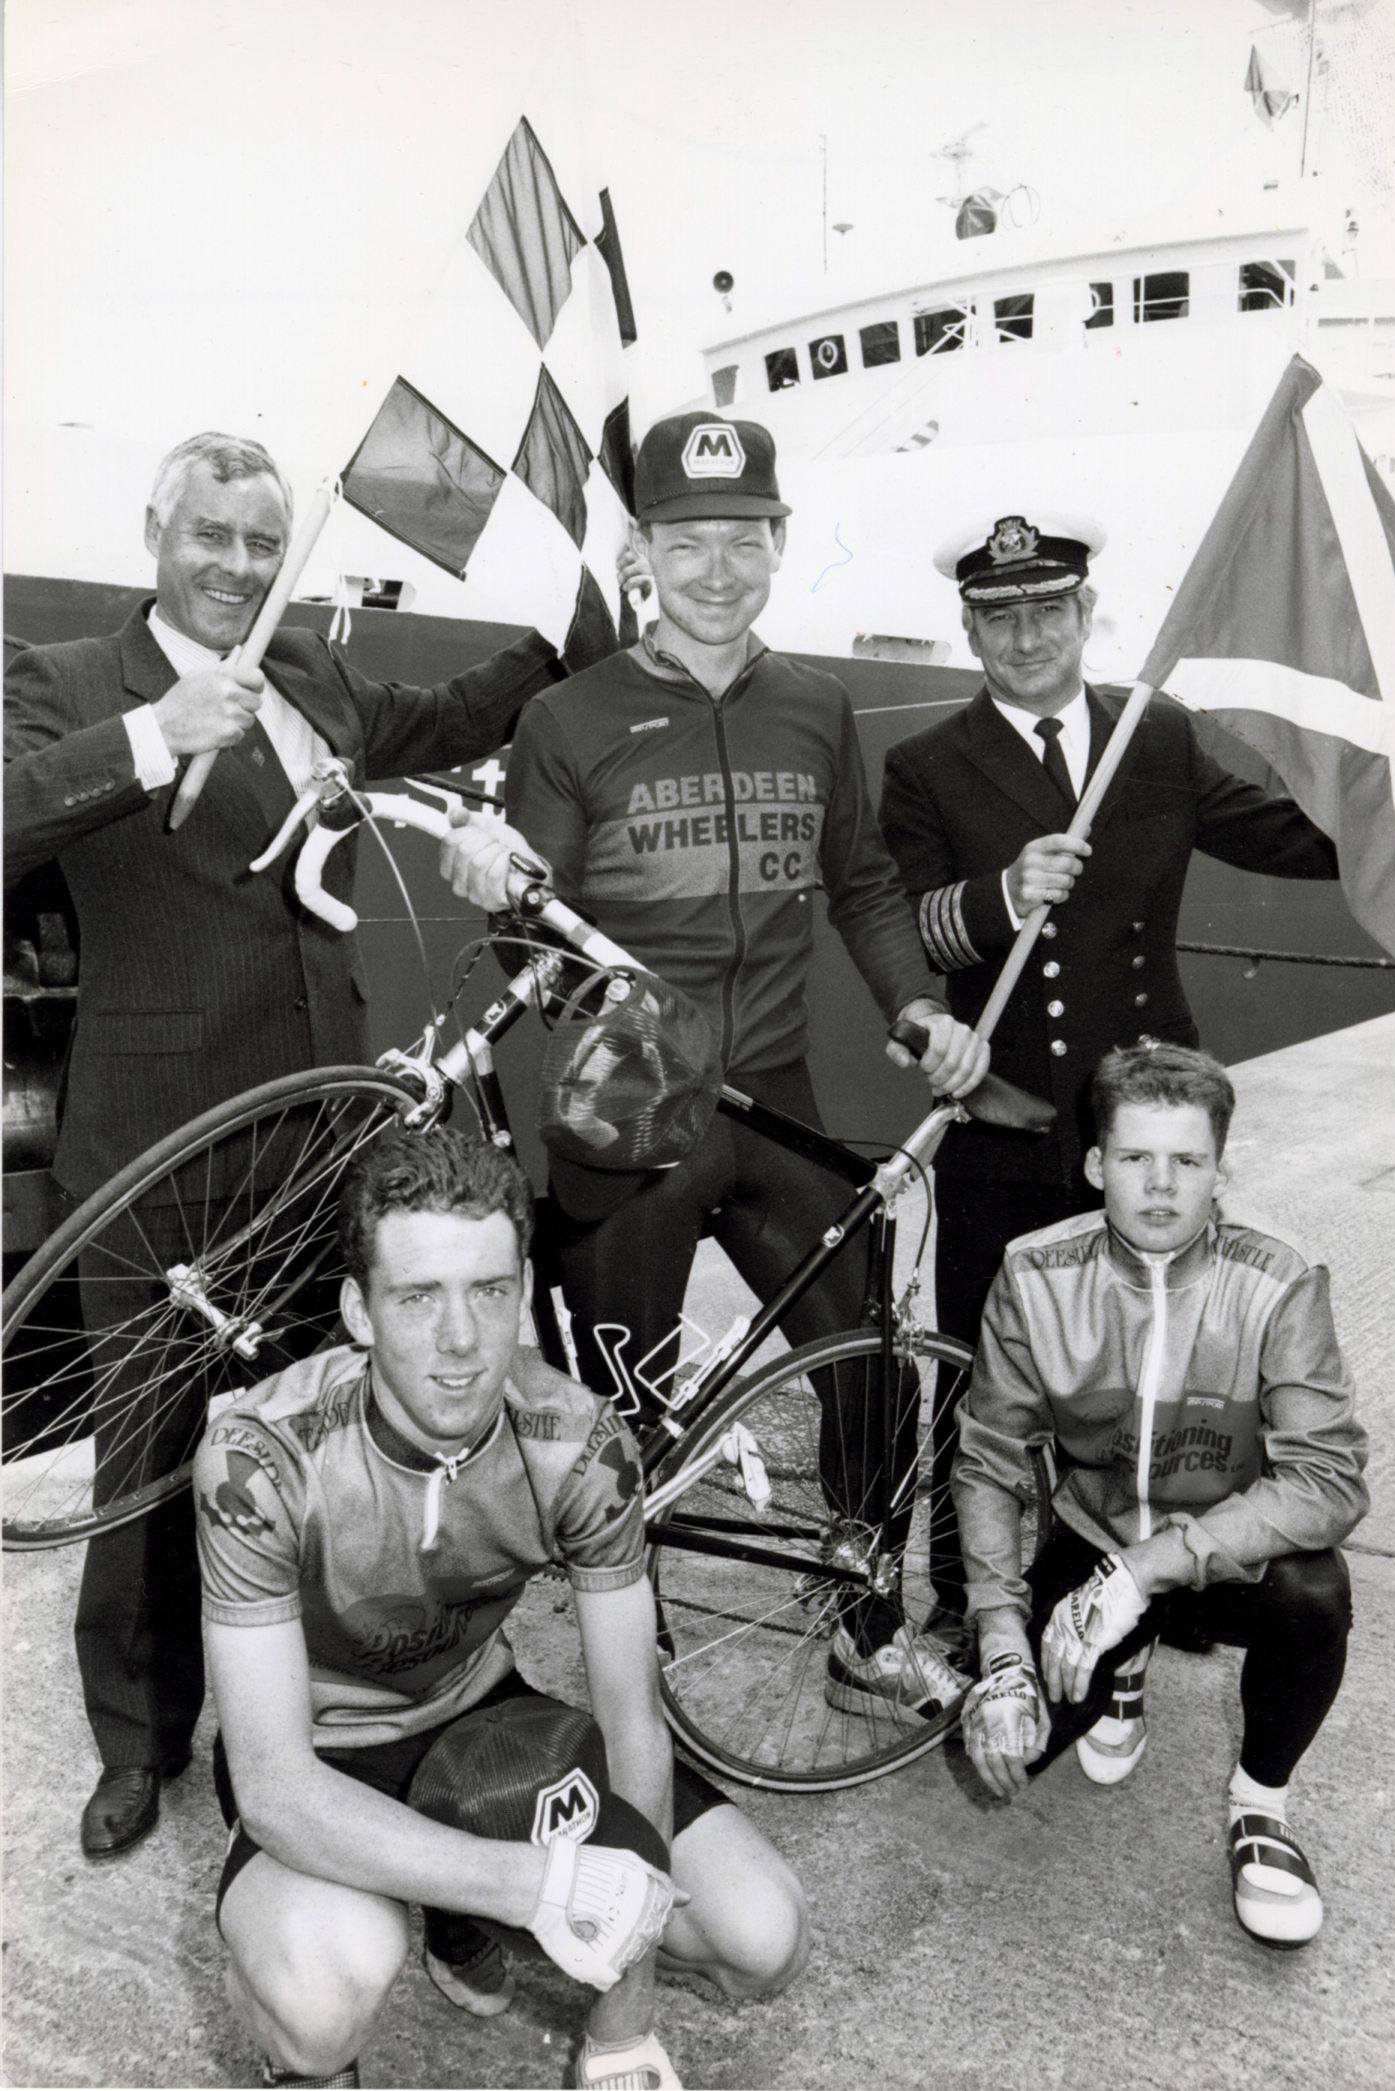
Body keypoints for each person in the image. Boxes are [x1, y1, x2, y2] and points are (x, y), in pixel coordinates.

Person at [3, 431, 580, 1859]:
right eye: (211, 534)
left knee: (324, 1456)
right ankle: (141, 1741)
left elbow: (446, 715)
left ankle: (323, 1711)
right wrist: (155, 735)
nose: (238, 564)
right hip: (158, 1151)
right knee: (148, 1467)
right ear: (156, 532)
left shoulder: (311, 672)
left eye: (263, 541)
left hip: (321, 1144)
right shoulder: (67, 681)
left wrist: (573, 625)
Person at [490, 408, 991, 1724]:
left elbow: (864, 885)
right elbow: (526, 933)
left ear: (778, 542)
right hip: (628, 1111)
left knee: (873, 1364)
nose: (715, 569)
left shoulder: (816, 707)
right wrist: (510, 895)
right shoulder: (565, 716)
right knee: (620, 1411)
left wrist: (916, 1006)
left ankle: (868, 1628)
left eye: (742, 539)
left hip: (774, 1100)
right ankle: (629, 1643)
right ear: (643, 552)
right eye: (686, 541)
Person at [195, 1127, 807, 2090]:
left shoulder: (577, 1442)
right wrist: (536, 1885)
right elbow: (271, 1784)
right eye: (417, 1296)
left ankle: (456, 1901)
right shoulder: (260, 1458)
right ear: (358, 1310)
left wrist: (623, 2020)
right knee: (324, 1995)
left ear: (523, 1290)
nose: (460, 1339)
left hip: (481, 1717)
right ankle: (302, 1996)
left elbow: (633, 1724)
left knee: (762, 1935)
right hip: (323, 1749)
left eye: (488, 1291)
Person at [877, 509, 1340, 1640]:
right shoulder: (925, 764)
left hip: (1148, 1118)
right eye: (1000, 616)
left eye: (1049, 609)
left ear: (1086, 611)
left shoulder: (1155, 733)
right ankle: (965, 1601)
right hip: (1008, 1113)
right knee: (982, 1369)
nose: (1027, 635)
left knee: (1165, 1361)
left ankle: (1159, 1582)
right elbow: (908, 929)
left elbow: (1278, 834)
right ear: (969, 629)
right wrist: (1002, 895)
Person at [952, 1043, 1368, 1948]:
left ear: (1222, 1169)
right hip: (1093, 1538)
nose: (1162, 1184)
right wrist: (1001, 1644)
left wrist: (1144, 1571)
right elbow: (988, 1459)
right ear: (1095, 1164)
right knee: (1004, 1745)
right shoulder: (1033, 1273)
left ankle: (1259, 1804)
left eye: (1187, 1159)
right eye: (1136, 1155)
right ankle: (1124, 1663)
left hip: (1226, 1548)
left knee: (1316, 1593)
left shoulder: (1281, 1277)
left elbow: (1329, 1478)